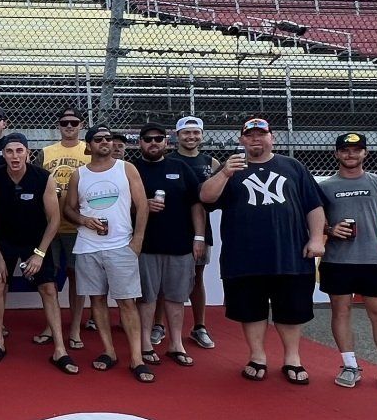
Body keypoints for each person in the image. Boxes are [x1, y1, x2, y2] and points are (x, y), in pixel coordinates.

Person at [198, 116, 327, 384]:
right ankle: (257, 356)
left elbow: (314, 205)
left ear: (272, 137)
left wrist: (317, 239)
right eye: (250, 135)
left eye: (261, 134)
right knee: (251, 309)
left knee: (291, 310)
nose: (255, 139)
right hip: (244, 255)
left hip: (289, 253)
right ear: (241, 140)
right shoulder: (230, 168)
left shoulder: (293, 166)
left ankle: (292, 358)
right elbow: (206, 198)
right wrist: (224, 173)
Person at [317, 131, 377, 394]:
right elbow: (315, 221)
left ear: (365, 153)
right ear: (336, 153)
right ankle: (349, 366)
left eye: (356, 150)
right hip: (337, 261)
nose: (350, 154)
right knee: (340, 312)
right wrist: (330, 230)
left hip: (373, 260)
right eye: (345, 150)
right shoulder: (324, 187)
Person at [70, 126, 153, 382]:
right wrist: (83, 220)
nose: (105, 142)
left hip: (121, 246)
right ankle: (109, 351)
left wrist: (137, 240)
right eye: (98, 139)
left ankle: (137, 358)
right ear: (88, 145)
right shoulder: (78, 175)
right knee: (97, 300)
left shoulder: (126, 168)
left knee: (127, 302)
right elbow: (68, 210)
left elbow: (142, 206)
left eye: (108, 138)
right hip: (88, 247)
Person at [0, 133, 72, 373]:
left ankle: (60, 349)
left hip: (35, 242)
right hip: (3, 241)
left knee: (48, 288)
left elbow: (54, 219)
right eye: (9, 151)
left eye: (19, 151)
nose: (15, 156)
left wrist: (40, 253)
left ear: (28, 153)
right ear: (3, 154)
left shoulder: (43, 177)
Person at [133, 122, 207, 368]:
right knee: (146, 297)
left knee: (176, 297)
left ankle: (176, 344)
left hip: (180, 245)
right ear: (140, 143)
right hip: (145, 245)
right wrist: (143, 204)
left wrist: (199, 237)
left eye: (158, 138)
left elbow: (196, 204)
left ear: (166, 141)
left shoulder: (180, 167)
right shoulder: (131, 169)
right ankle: (145, 344)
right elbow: (121, 204)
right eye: (148, 139)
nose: (153, 143)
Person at [38, 109, 91, 352]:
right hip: (50, 225)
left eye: (73, 122)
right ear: (58, 125)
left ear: (82, 124)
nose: (69, 126)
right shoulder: (46, 152)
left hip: (78, 226)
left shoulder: (89, 151)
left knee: (76, 277)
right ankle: (52, 326)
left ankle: (75, 327)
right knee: (48, 278)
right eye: (64, 123)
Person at [174, 116, 218, 350]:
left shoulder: (211, 163)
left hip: (201, 230)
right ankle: (159, 325)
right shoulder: (168, 160)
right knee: (165, 280)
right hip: (172, 228)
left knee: (196, 277)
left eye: (195, 132)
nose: (191, 137)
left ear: (201, 135)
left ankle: (199, 326)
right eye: (186, 132)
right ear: (177, 135)